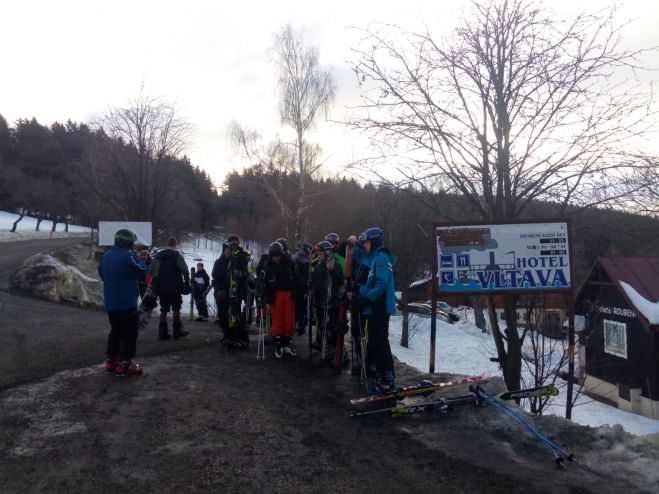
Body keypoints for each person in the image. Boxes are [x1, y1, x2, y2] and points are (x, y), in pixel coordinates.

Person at [98, 229, 147, 375]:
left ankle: (111, 361)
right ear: (128, 242)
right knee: (130, 332)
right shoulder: (128, 256)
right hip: (126, 302)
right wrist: (142, 261)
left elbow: (102, 274)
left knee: (116, 331)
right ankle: (126, 363)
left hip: (111, 302)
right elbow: (142, 272)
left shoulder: (105, 256)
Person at [355, 227, 397, 394]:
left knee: (380, 342)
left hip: (379, 308)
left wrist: (367, 298)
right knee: (374, 342)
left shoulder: (381, 259)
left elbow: (381, 284)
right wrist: (361, 296)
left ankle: (388, 379)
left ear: (374, 241)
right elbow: (371, 283)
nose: (364, 245)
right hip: (373, 308)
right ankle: (382, 376)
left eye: (366, 242)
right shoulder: (375, 258)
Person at [211, 234, 251, 348]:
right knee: (223, 314)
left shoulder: (242, 256)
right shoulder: (219, 262)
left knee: (235, 313)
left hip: (236, 290)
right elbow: (215, 275)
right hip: (223, 291)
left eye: (232, 247)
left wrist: (240, 274)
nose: (229, 251)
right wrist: (226, 276)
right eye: (228, 248)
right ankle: (228, 334)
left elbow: (247, 272)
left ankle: (241, 338)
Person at [149, 237, 191, 340]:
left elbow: (151, 269)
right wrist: (186, 282)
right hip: (175, 287)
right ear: (175, 245)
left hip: (161, 287)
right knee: (176, 308)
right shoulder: (177, 255)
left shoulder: (158, 256)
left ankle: (162, 333)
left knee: (164, 309)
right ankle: (177, 331)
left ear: (167, 244)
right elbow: (185, 270)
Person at [310, 240, 344, 362]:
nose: (318, 255)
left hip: (331, 302)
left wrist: (332, 270)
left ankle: (335, 351)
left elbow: (340, 281)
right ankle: (324, 349)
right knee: (322, 327)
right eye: (317, 253)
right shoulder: (318, 265)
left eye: (320, 253)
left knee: (331, 329)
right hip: (320, 302)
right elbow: (316, 283)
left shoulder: (335, 264)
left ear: (327, 252)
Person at [263, 241, 297, 358]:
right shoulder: (268, 266)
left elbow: (296, 279)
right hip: (275, 296)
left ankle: (286, 343)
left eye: (278, 256)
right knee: (278, 321)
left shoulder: (289, 263)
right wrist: (267, 301)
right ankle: (278, 344)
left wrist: (297, 292)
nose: (276, 259)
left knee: (289, 320)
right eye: (274, 256)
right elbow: (266, 284)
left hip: (289, 295)